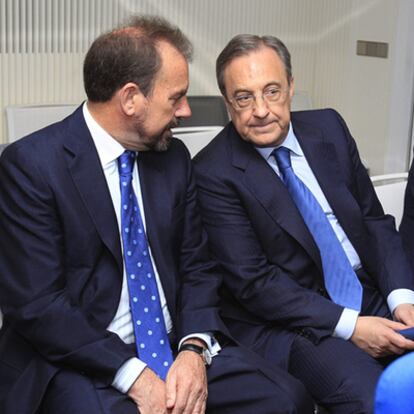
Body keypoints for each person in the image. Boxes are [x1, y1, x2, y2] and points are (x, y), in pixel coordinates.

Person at [0, 18, 314, 414]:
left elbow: (198, 266)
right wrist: (133, 374)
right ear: (131, 99)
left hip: (174, 342)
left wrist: (194, 348)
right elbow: (39, 306)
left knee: (287, 399)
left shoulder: (173, 159)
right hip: (78, 357)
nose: (185, 110)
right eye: (176, 97)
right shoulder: (32, 167)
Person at [192, 33, 414, 413]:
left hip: (370, 291)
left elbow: (374, 221)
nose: (260, 110)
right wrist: (351, 326)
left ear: (292, 87)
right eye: (244, 98)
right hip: (298, 322)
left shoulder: (328, 127)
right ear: (227, 104)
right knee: (377, 400)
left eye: (272, 91)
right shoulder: (212, 172)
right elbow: (255, 283)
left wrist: (402, 297)